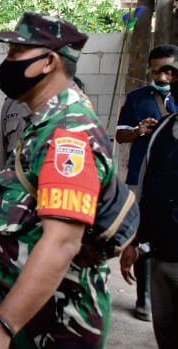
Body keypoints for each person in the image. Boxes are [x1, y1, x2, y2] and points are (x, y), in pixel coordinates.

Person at [0, 12, 129, 348]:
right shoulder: (44, 122)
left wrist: (3, 324)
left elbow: (62, 242)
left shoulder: (67, 132)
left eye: (15, 54)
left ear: (49, 62)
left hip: (56, 328)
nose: (7, 62)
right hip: (29, 320)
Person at [115, 44, 178, 321]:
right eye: (156, 72)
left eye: (168, 71)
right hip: (141, 176)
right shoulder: (137, 97)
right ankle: (144, 297)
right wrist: (138, 131)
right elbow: (119, 134)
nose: (162, 78)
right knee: (141, 236)